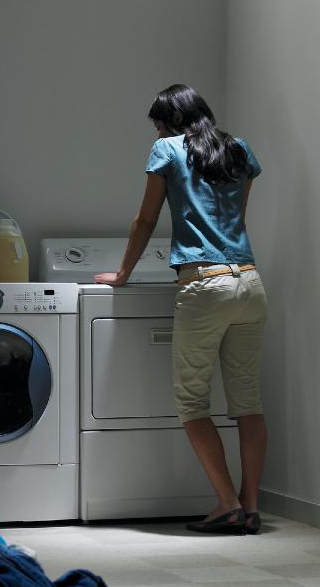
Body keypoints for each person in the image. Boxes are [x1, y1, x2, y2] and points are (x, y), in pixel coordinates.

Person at [95, 84, 268, 535]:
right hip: (249, 281)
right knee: (247, 402)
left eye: (157, 123)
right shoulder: (238, 150)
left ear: (169, 121)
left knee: (192, 403)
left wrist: (123, 274)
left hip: (204, 283)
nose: (155, 131)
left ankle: (226, 504)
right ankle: (250, 507)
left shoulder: (167, 149)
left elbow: (146, 219)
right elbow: (237, 218)